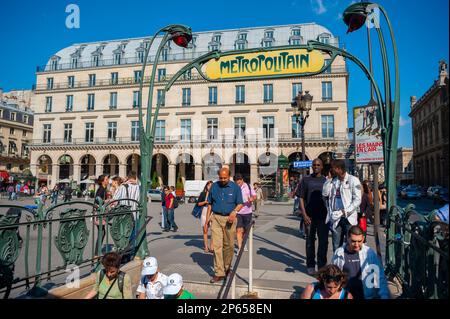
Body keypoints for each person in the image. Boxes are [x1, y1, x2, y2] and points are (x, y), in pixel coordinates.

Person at [332, 225, 390, 299]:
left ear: (363, 239)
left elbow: (379, 277)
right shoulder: (339, 253)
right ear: (348, 238)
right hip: (346, 295)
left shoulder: (370, 254)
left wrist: (384, 296)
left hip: (366, 296)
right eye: (353, 241)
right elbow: (333, 276)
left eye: (359, 241)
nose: (356, 245)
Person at [206, 167, 243, 283]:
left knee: (229, 246)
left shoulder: (235, 187)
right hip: (216, 218)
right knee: (217, 247)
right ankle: (219, 272)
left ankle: (227, 268)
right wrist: (208, 219)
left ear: (229, 176)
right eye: (220, 178)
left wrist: (234, 211)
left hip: (229, 219)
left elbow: (240, 203)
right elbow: (210, 204)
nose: (222, 180)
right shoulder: (214, 186)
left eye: (225, 178)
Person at [296, 159, 329, 275]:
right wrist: (304, 214)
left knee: (323, 242)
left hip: (323, 217)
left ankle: (322, 266)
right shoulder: (306, 180)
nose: (316, 167)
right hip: (309, 216)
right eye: (314, 165)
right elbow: (300, 197)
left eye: (318, 165)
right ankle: (310, 264)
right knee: (310, 242)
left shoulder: (326, 181)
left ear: (322, 166)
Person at [323, 159, 362, 252]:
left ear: (339, 169)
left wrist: (345, 211)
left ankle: (351, 264)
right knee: (336, 245)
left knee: (351, 244)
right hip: (336, 217)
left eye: (333, 168)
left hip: (348, 217)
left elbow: (357, 200)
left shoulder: (353, 180)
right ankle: (337, 265)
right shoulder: (334, 181)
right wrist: (329, 180)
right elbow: (325, 193)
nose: (331, 170)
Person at [113, 171, 140, 255]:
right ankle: (130, 253)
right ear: (135, 177)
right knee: (133, 234)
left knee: (123, 234)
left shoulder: (122, 186)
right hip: (135, 215)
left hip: (123, 215)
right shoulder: (139, 187)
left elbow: (114, 200)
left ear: (128, 177)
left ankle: (123, 252)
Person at [234, 174, 256, 253]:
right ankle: (240, 247)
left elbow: (254, 196)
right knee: (238, 230)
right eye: (236, 183)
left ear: (242, 180)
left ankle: (243, 243)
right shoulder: (234, 187)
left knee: (246, 230)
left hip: (248, 212)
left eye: (239, 183)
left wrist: (251, 199)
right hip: (238, 212)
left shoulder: (248, 186)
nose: (238, 184)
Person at [94, 175, 110, 254]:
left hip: (100, 213)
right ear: (103, 181)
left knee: (102, 232)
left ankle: (97, 252)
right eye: (107, 179)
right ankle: (97, 253)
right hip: (99, 213)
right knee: (102, 233)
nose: (108, 180)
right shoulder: (101, 189)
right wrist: (105, 201)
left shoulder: (103, 189)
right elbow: (97, 199)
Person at [199, 181, 213, 253]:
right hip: (204, 212)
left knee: (213, 231)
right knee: (205, 230)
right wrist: (205, 202)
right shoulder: (203, 194)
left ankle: (212, 246)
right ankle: (206, 247)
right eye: (208, 185)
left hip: (212, 213)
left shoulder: (214, 193)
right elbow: (198, 204)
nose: (210, 187)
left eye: (211, 185)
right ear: (206, 186)